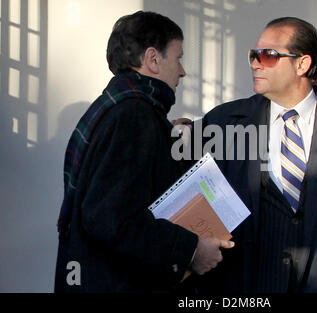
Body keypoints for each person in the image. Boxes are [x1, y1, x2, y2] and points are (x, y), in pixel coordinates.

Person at [192, 17, 317, 293]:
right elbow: (188, 194)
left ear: (303, 64)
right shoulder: (224, 122)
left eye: (269, 55)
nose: (255, 63)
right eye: (254, 55)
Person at [54, 11, 234, 293]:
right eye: (178, 58)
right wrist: (192, 250)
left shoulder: (118, 108)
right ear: (152, 59)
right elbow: (110, 218)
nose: (183, 71)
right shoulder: (135, 116)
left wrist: (166, 139)